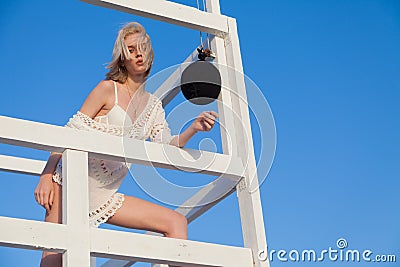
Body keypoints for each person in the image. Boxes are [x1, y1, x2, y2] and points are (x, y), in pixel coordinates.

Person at [34, 22, 218, 267]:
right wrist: (46, 176)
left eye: (142, 48)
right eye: (131, 50)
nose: (138, 53)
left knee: (176, 223)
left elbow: (167, 144)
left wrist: (194, 128)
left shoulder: (154, 107)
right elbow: (70, 131)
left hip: (105, 195)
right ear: (123, 57)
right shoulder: (107, 89)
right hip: (66, 184)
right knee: (53, 262)